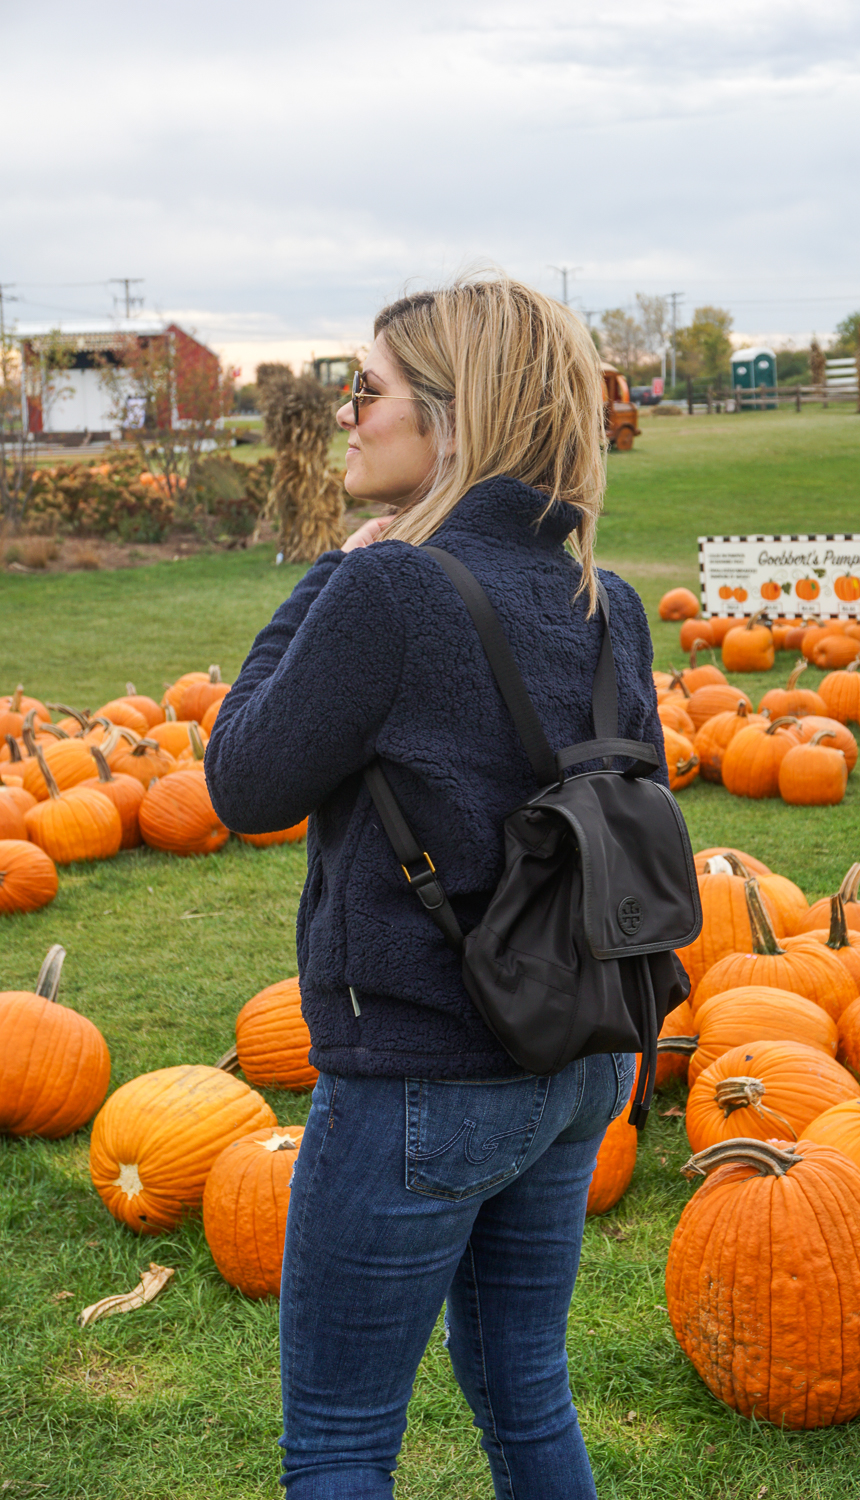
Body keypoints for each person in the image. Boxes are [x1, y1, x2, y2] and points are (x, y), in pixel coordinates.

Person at [204, 276, 671, 1499]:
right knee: (527, 1399)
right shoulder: (605, 600)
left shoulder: (387, 588)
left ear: (454, 419)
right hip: (582, 1061)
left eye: (364, 389)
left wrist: (324, 576)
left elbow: (244, 781)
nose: (345, 415)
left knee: (345, 1440)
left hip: (422, 1077)